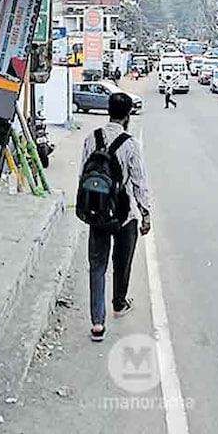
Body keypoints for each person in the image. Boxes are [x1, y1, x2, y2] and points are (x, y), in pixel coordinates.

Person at [79, 93, 153, 342]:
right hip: (124, 214)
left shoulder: (92, 138)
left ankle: (97, 323)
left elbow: (83, 175)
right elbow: (140, 182)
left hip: (98, 212)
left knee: (97, 266)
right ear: (128, 115)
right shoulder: (131, 145)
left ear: (108, 111)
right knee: (122, 263)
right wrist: (145, 213)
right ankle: (119, 304)